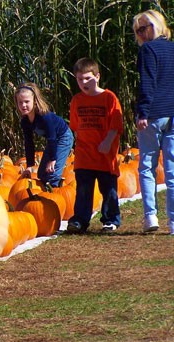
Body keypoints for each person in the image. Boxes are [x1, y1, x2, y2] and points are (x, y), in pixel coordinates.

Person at [66, 58, 124, 234]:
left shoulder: (109, 97)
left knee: (108, 189)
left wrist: (107, 141)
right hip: (84, 155)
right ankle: (80, 221)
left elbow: (116, 124)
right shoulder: (77, 100)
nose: (83, 82)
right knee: (83, 190)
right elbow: (75, 127)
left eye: (87, 78)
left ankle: (110, 219)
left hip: (104, 155)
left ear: (97, 77)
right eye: (79, 79)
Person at [133, 10, 174, 234]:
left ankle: (151, 216)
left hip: (155, 114)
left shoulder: (148, 50)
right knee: (172, 170)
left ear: (156, 25)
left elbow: (147, 83)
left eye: (144, 28)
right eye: (138, 30)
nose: (141, 34)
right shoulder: (173, 48)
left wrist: (143, 113)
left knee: (147, 166)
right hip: (173, 113)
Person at [14, 82, 74, 188]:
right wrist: (29, 166)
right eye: (20, 102)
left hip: (63, 137)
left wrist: (52, 159)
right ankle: (46, 192)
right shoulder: (25, 121)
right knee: (42, 174)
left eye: (27, 102)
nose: (23, 105)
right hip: (54, 140)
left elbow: (52, 138)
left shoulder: (44, 116)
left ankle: (56, 195)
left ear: (35, 101)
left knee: (52, 174)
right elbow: (29, 143)